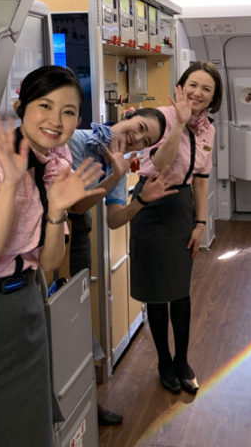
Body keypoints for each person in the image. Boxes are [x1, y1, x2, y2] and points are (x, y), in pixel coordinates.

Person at [0, 65, 105, 447]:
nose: (56, 121)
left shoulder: (56, 162)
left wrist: (57, 211)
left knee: (34, 421)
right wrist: (10, 185)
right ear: (20, 105)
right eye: (45, 105)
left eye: (69, 111)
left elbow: (50, 261)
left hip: (27, 300)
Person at [66, 107, 177, 425]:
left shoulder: (119, 162)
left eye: (146, 139)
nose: (137, 137)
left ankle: (85, 401)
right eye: (139, 126)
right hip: (54, 234)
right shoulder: (77, 140)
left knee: (75, 320)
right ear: (125, 116)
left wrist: (141, 201)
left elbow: (114, 220)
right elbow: (74, 204)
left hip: (77, 237)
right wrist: (115, 173)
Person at [130, 61, 223, 395]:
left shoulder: (209, 130)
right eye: (192, 85)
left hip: (181, 208)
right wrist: (179, 124)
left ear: (214, 98)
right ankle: (163, 361)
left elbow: (200, 179)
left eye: (206, 89)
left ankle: (182, 361)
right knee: (157, 294)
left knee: (180, 291)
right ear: (181, 87)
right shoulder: (162, 117)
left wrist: (200, 223)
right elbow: (160, 164)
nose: (197, 92)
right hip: (152, 203)